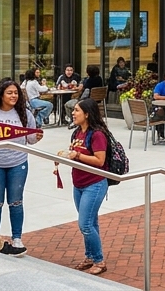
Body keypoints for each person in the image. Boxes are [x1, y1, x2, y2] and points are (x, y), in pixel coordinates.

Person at [0, 79, 42, 249]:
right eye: (9, 93)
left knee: (16, 202)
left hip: (18, 164)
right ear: (1, 95)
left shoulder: (24, 114)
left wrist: (36, 137)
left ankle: (17, 238)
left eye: (16, 93)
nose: (14, 96)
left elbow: (31, 140)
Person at [65, 99, 111, 275]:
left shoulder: (97, 134)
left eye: (76, 110)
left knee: (84, 224)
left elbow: (99, 161)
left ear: (87, 114)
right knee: (91, 222)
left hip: (95, 184)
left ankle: (99, 261)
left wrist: (77, 155)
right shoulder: (77, 132)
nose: (73, 113)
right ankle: (90, 256)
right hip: (79, 184)